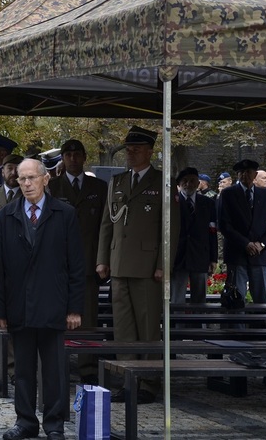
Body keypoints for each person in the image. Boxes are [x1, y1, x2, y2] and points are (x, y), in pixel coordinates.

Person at [0, 158, 83, 440]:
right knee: (23, 370)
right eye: (22, 179)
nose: (27, 184)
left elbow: (76, 265)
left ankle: (54, 423)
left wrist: (74, 308)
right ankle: (25, 421)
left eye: (32, 178)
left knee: (54, 370)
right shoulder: (7, 215)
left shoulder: (64, 213)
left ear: (45, 179)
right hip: (19, 305)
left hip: (53, 304)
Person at [96, 126, 170, 403]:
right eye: (128, 149)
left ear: (150, 151)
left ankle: (149, 383)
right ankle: (127, 379)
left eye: (136, 149)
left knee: (148, 327)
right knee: (124, 327)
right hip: (118, 264)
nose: (130, 153)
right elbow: (107, 224)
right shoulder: (117, 182)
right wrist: (103, 259)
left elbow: (169, 228)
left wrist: (163, 264)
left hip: (147, 266)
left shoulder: (161, 181)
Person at [47, 138, 107, 384]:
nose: (72, 158)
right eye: (68, 155)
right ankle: (56, 366)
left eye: (77, 154)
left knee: (88, 318)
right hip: (58, 265)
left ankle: (88, 368)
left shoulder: (99, 187)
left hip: (89, 262)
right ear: (62, 158)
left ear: (84, 157)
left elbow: (106, 227)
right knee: (56, 316)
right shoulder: (52, 186)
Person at [218, 158, 266, 304]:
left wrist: (262, 244)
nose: (245, 175)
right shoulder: (228, 194)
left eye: (248, 172)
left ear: (255, 174)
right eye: (241, 172)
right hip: (237, 253)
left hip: (259, 254)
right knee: (236, 297)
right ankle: (237, 327)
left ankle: (261, 327)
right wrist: (245, 243)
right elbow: (224, 225)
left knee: (262, 298)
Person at [171, 167, 218, 304]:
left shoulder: (208, 203)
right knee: (176, 299)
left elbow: (212, 232)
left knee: (199, 299)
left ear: (198, 183)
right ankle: (177, 325)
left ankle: (198, 325)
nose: (188, 184)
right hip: (178, 257)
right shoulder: (172, 203)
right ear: (179, 184)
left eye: (192, 181)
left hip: (200, 256)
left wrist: (213, 258)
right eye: (184, 181)